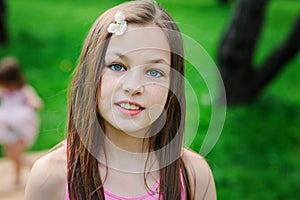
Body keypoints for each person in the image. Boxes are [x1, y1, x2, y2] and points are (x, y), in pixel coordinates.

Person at [24, 1, 216, 199]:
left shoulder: (194, 176)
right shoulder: (51, 177)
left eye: (154, 72)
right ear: (90, 74)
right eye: (117, 66)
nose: (133, 87)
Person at [0, 56, 42, 187]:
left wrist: (32, 104)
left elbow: (37, 103)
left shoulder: (24, 91)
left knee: (16, 153)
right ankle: (26, 169)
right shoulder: (4, 92)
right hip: (8, 128)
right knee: (9, 154)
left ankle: (22, 176)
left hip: (22, 128)